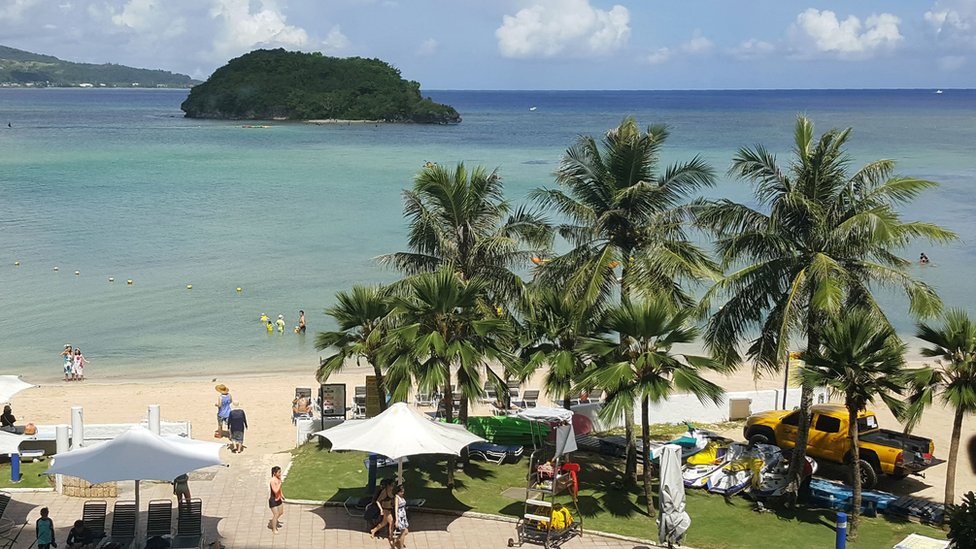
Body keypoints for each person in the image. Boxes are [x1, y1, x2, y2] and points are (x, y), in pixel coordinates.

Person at [393, 483, 409, 549]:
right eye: (401, 492)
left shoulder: (401, 497)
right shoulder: (397, 498)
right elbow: (396, 509)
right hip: (400, 516)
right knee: (403, 532)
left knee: (406, 531)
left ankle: (397, 540)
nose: (403, 493)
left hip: (403, 515)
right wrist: (396, 520)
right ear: (398, 491)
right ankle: (401, 547)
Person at [268, 466, 284, 534]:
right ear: (274, 473)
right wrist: (280, 484)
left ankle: (274, 521)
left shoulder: (278, 479)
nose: (280, 474)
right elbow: (275, 490)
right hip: (273, 500)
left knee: (281, 512)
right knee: (276, 514)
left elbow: (279, 490)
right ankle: (274, 528)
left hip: (278, 499)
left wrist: (282, 495)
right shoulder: (272, 481)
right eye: (279, 472)